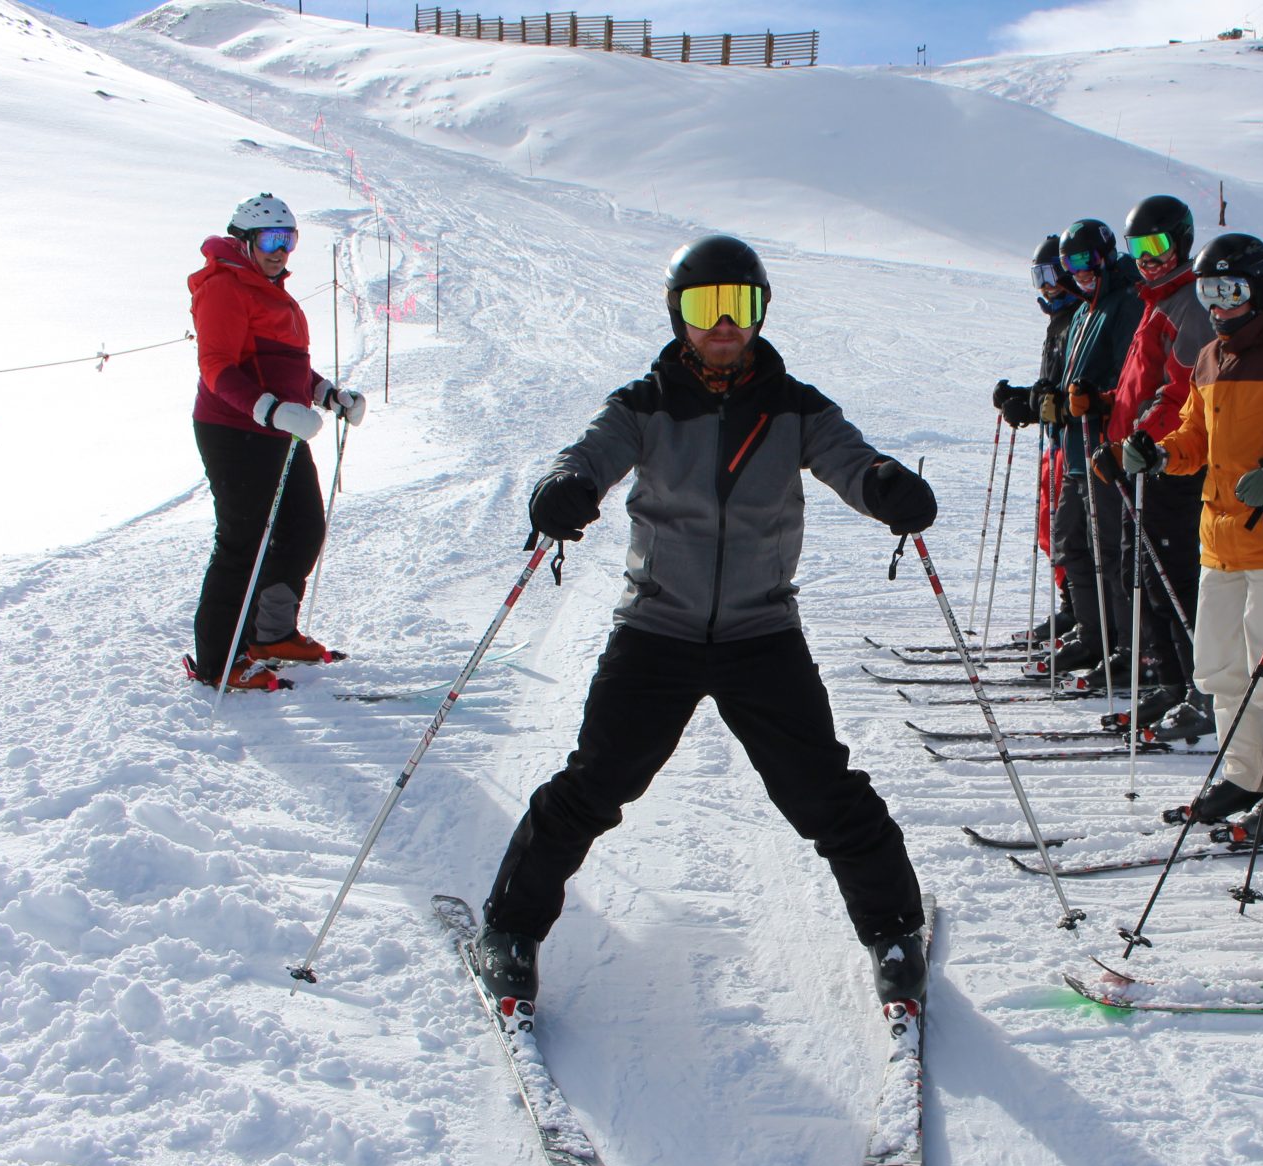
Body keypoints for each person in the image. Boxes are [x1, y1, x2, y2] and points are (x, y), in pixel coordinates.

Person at [472, 235, 936, 1018]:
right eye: (704, 307)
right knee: (596, 784)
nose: (723, 325)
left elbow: (849, 459)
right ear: (677, 315)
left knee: (823, 791)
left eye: (740, 306)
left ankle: (893, 930)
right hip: (659, 629)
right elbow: (586, 454)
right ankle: (510, 928)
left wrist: (885, 484)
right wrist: (563, 487)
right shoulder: (645, 404)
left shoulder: (793, 407)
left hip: (760, 633)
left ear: (759, 313)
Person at [1123, 232, 1263, 837]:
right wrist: (1158, 454)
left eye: (1230, 290)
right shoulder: (1210, 358)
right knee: (1220, 668)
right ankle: (1244, 774)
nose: (1219, 304)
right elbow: (1193, 439)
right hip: (1218, 539)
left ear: (1259, 288)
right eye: (1208, 292)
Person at [187, 192, 366, 691]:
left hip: (277, 430)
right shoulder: (225, 287)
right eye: (270, 239)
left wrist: (326, 394)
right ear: (243, 241)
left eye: (288, 240)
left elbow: (282, 367)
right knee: (242, 545)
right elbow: (217, 366)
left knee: (303, 530)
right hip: (233, 430)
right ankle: (218, 663)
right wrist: (271, 409)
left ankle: (272, 635)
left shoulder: (268, 289)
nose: (280, 251)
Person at [1102, 193, 1215, 736]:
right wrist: (1108, 420)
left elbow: (1181, 390)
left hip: (1170, 464)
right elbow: (1138, 390)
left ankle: (1201, 689)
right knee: (1143, 575)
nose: (1145, 257)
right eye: (1137, 247)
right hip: (1140, 462)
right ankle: (1167, 682)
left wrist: (1141, 440)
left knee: (1173, 577)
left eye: (1157, 244)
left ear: (1182, 242)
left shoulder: (1189, 303)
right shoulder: (1156, 301)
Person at [1051, 218, 1145, 688]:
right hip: (1075, 448)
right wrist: (1050, 400)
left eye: (1086, 260)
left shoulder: (1124, 303)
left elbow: (1129, 379)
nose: (1079, 271)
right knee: (1070, 543)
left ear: (1106, 255)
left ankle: (1133, 648)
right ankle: (1093, 635)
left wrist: (1095, 398)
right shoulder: (1087, 309)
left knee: (1111, 551)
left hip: (1103, 449)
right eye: (1070, 264)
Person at [992, 234, 1084, 647]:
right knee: (1051, 528)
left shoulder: (1081, 317)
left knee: (1069, 530)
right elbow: (1054, 386)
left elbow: (1077, 388)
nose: (1045, 286)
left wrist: (1035, 406)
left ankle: (1085, 613)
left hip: (1076, 439)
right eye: (1037, 277)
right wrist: (1024, 398)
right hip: (1057, 438)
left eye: (1050, 274)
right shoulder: (1060, 321)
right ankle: (1073, 607)